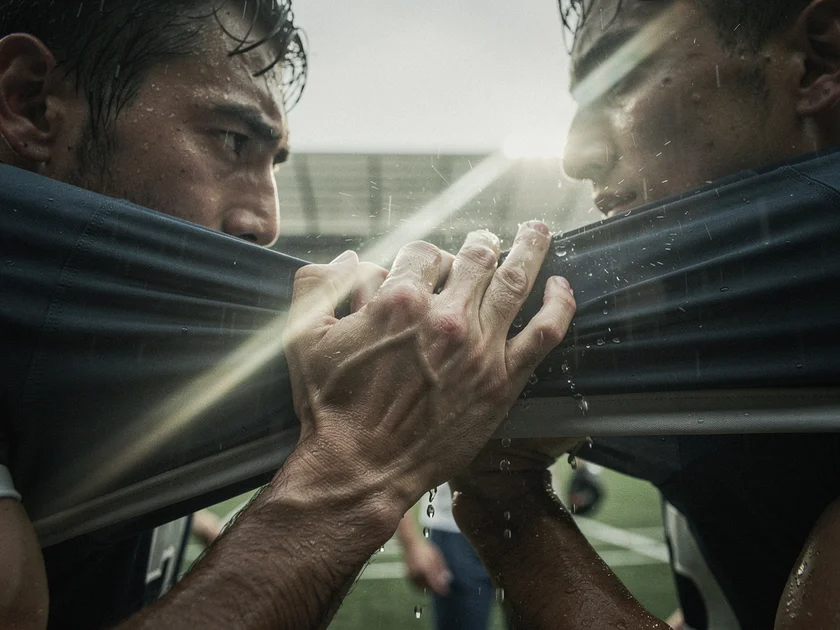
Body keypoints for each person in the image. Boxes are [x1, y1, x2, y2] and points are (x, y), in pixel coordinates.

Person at [0, 1, 578, 628]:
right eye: (232, 140)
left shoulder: (131, 347)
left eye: (273, 163)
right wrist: (354, 471)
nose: (268, 223)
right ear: (32, 104)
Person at [447, 0, 840, 628]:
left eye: (622, 76)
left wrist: (500, 496)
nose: (575, 155)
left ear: (817, 61)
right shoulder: (732, 337)